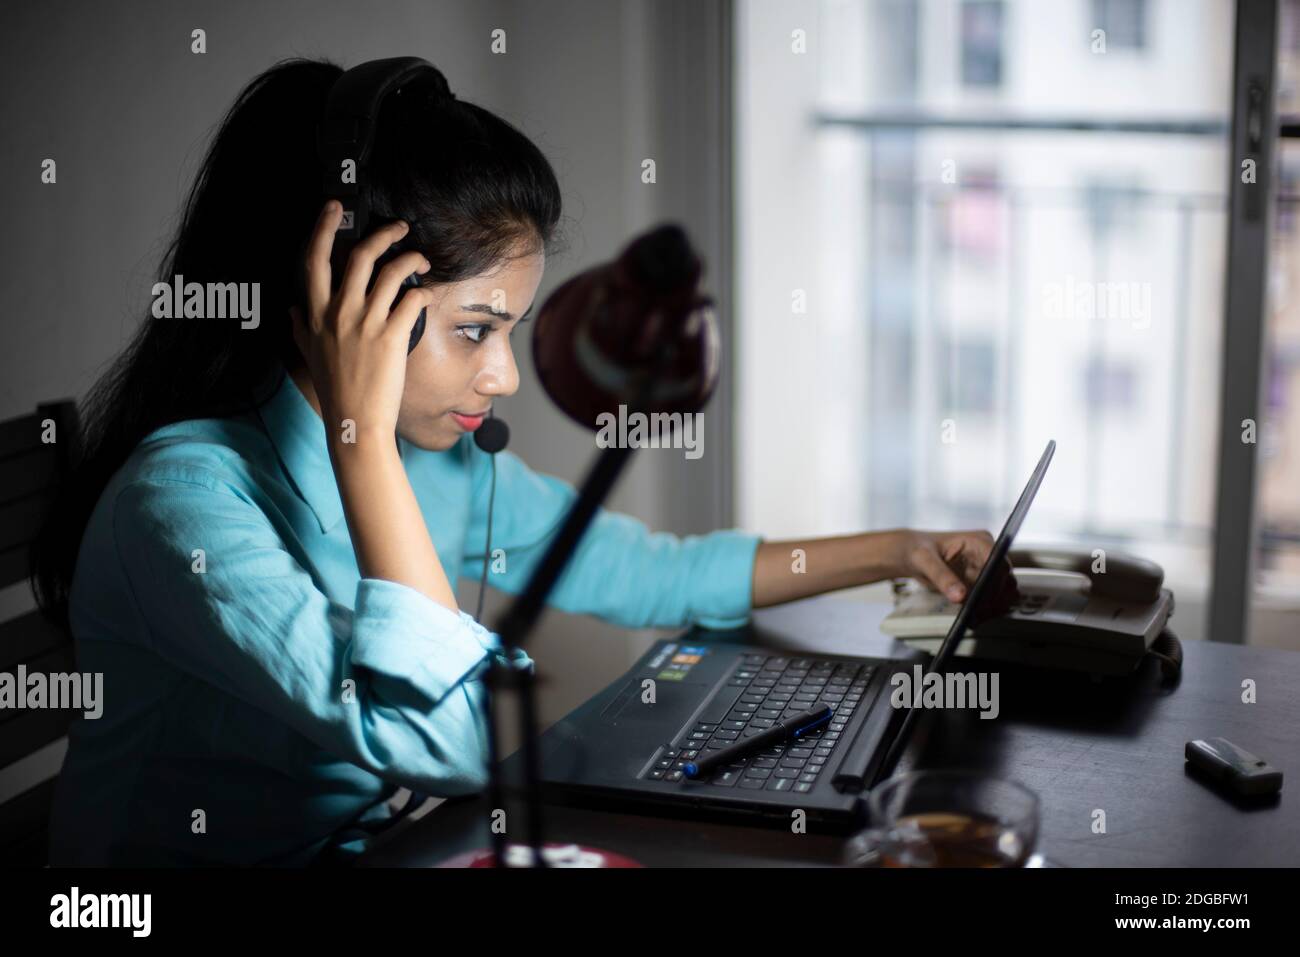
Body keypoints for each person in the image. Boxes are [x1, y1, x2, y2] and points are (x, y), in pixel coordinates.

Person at [32, 57, 995, 866]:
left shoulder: (440, 466)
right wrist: (360, 441)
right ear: (342, 303)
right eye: (473, 329)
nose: (504, 376)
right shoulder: (184, 504)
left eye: (511, 330)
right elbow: (455, 741)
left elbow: (657, 571)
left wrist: (898, 551)